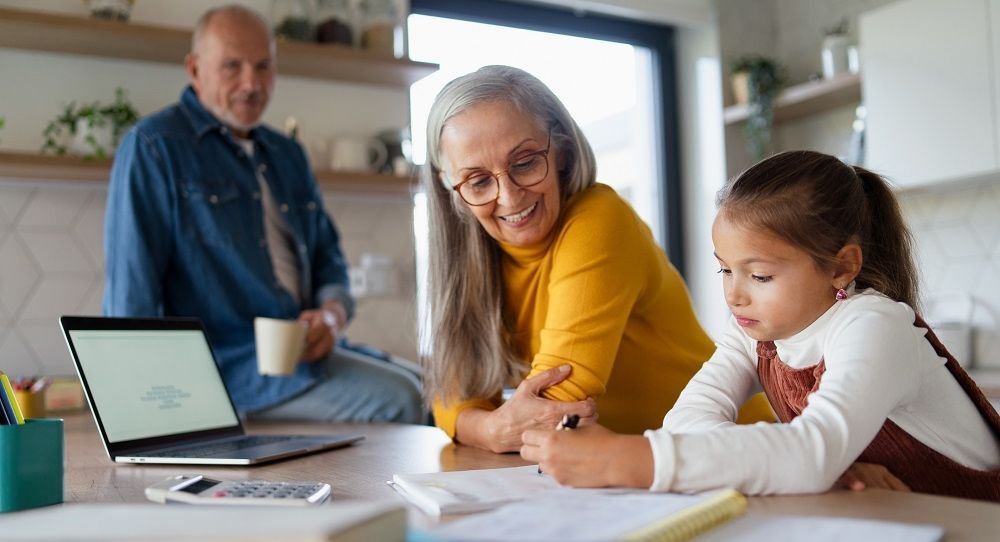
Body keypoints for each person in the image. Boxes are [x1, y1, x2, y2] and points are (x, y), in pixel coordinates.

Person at [522, 150, 1000, 502]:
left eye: (760, 275)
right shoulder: (754, 330)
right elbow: (685, 423)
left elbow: (810, 453)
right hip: (892, 517)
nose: (734, 293)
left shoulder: (873, 324)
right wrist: (816, 465)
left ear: (840, 268)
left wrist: (621, 460)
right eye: (725, 269)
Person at [422, 65, 773, 453]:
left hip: (732, 452)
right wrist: (488, 429)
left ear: (562, 152)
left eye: (524, 163)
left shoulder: (600, 218)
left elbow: (555, 408)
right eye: (478, 181)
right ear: (450, 187)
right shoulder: (474, 259)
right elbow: (451, 396)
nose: (508, 197)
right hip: (628, 473)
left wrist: (490, 423)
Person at [103, 4, 423, 424]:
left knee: (434, 387)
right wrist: (145, 414)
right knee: (403, 398)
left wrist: (331, 314)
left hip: (303, 358)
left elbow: (329, 258)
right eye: (232, 66)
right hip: (224, 374)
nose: (251, 83)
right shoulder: (154, 147)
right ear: (195, 70)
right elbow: (132, 299)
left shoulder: (287, 153)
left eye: (264, 66)